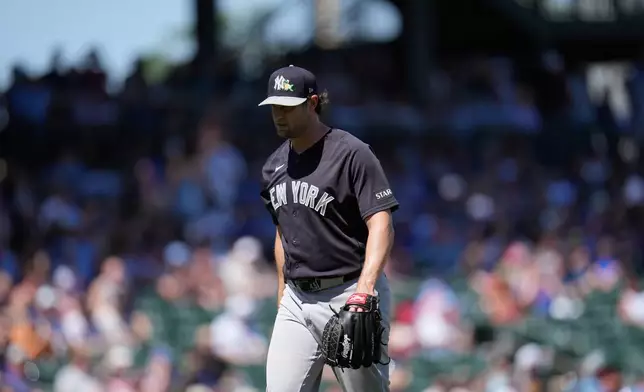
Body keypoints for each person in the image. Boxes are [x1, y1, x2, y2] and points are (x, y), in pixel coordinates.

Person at [258, 65, 399, 392]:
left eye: (287, 107)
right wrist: (282, 292)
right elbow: (282, 231)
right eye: (274, 107)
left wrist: (364, 290)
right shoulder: (273, 166)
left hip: (349, 292)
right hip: (297, 299)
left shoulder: (352, 153)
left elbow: (381, 222)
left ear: (312, 103)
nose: (279, 115)